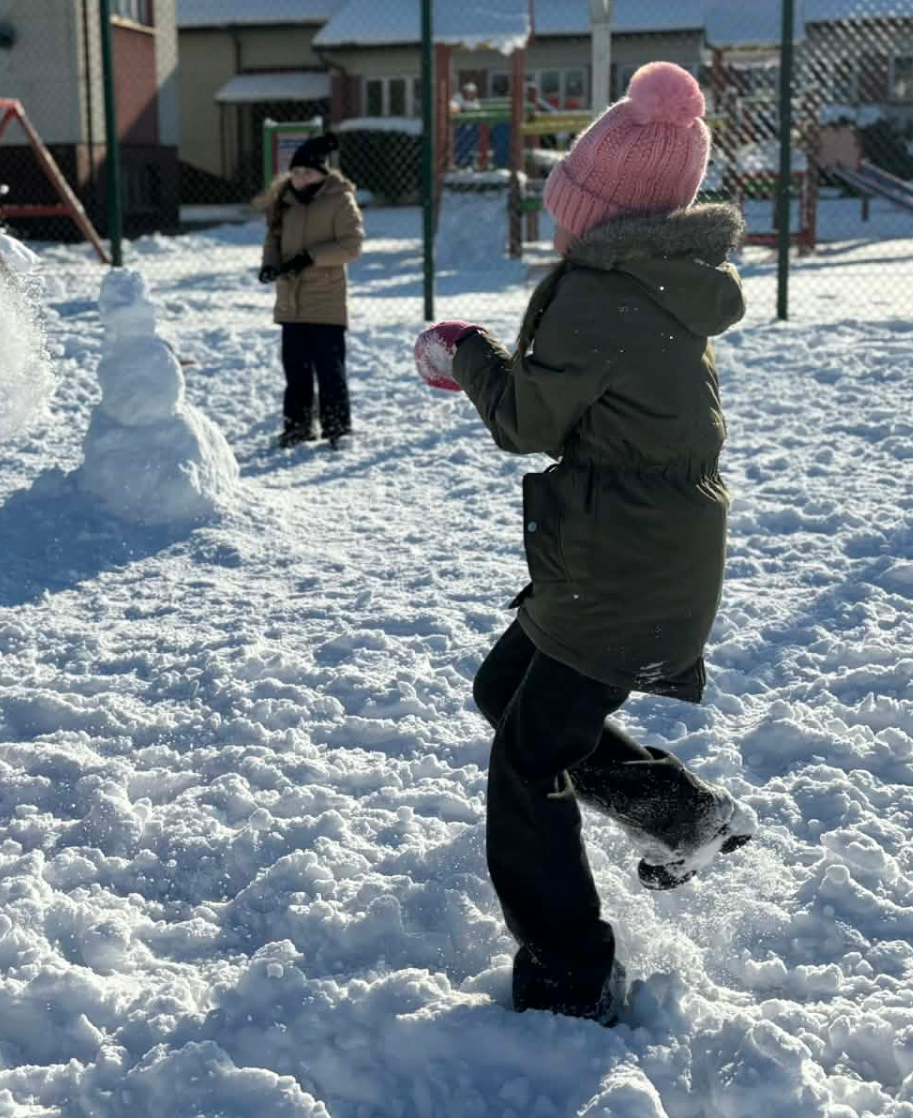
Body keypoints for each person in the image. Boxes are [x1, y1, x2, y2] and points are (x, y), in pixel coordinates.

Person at [412, 62, 754, 1025]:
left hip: (619, 573)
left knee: (526, 766)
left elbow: (526, 419)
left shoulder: (600, 293)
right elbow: (580, 402)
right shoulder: (657, 286)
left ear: (601, 213)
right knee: (504, 694)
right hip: (634, 557)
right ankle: (684, 817)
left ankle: (570, 973)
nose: (560, 222)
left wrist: (465, 354)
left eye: (570, 205)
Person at [255, 133, 365, 448]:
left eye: (308, 172)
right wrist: (270, 265)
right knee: (296, 371)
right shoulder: (285, 201)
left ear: (322, 173)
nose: (300, 177)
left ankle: (337, 428)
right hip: (291, 301)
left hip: (326, 302)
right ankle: (297, 427)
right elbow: (273, 239)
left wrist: (311, 257)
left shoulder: (339, 199)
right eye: (296, 171)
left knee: (330, 370)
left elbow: (352, 245)